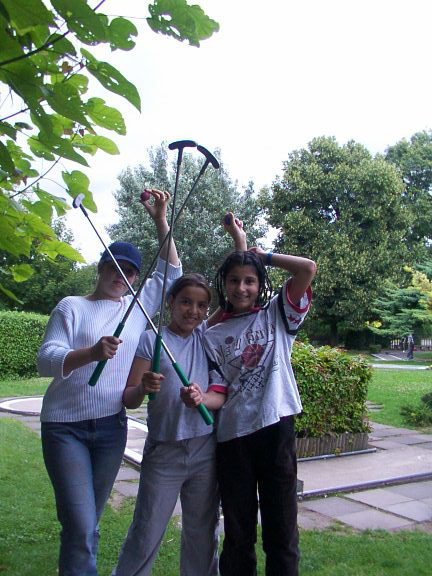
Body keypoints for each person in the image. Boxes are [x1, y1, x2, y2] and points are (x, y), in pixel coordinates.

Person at [37, 189, 182, 576]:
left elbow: (173, 272)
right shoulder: (71, 306)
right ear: (101, 268)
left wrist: (160, 219)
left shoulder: (137, 308)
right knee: (82, 525)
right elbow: (46, 359)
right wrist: (90, 353)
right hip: (64, 428)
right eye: (115, 268)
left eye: (130, 272)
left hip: (110, 428)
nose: (123, 276)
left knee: (88, 524)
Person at [182, 216, 316, 576]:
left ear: (260, 285)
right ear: (224, 285)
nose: (241, 288)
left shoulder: (278, 315)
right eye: (234, 281)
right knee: (238, 534)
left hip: (276, 429)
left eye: (250, 281)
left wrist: (261, 255)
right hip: (233, 439)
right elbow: (212, 370)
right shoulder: (211, 333)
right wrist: (242, 251)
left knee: (282, 531)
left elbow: (307, 268)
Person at [113, 221, 246, 576]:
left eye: (201, 305)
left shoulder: (206, 335)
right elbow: (129, 399)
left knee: (202, 534)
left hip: (204, 450)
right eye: (186, 302)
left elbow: (235, 292)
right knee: (146, 532)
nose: (193, 311)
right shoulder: (151, 340)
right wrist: (144, 387)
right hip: (164, 452)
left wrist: (240, 240)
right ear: (171, 302)